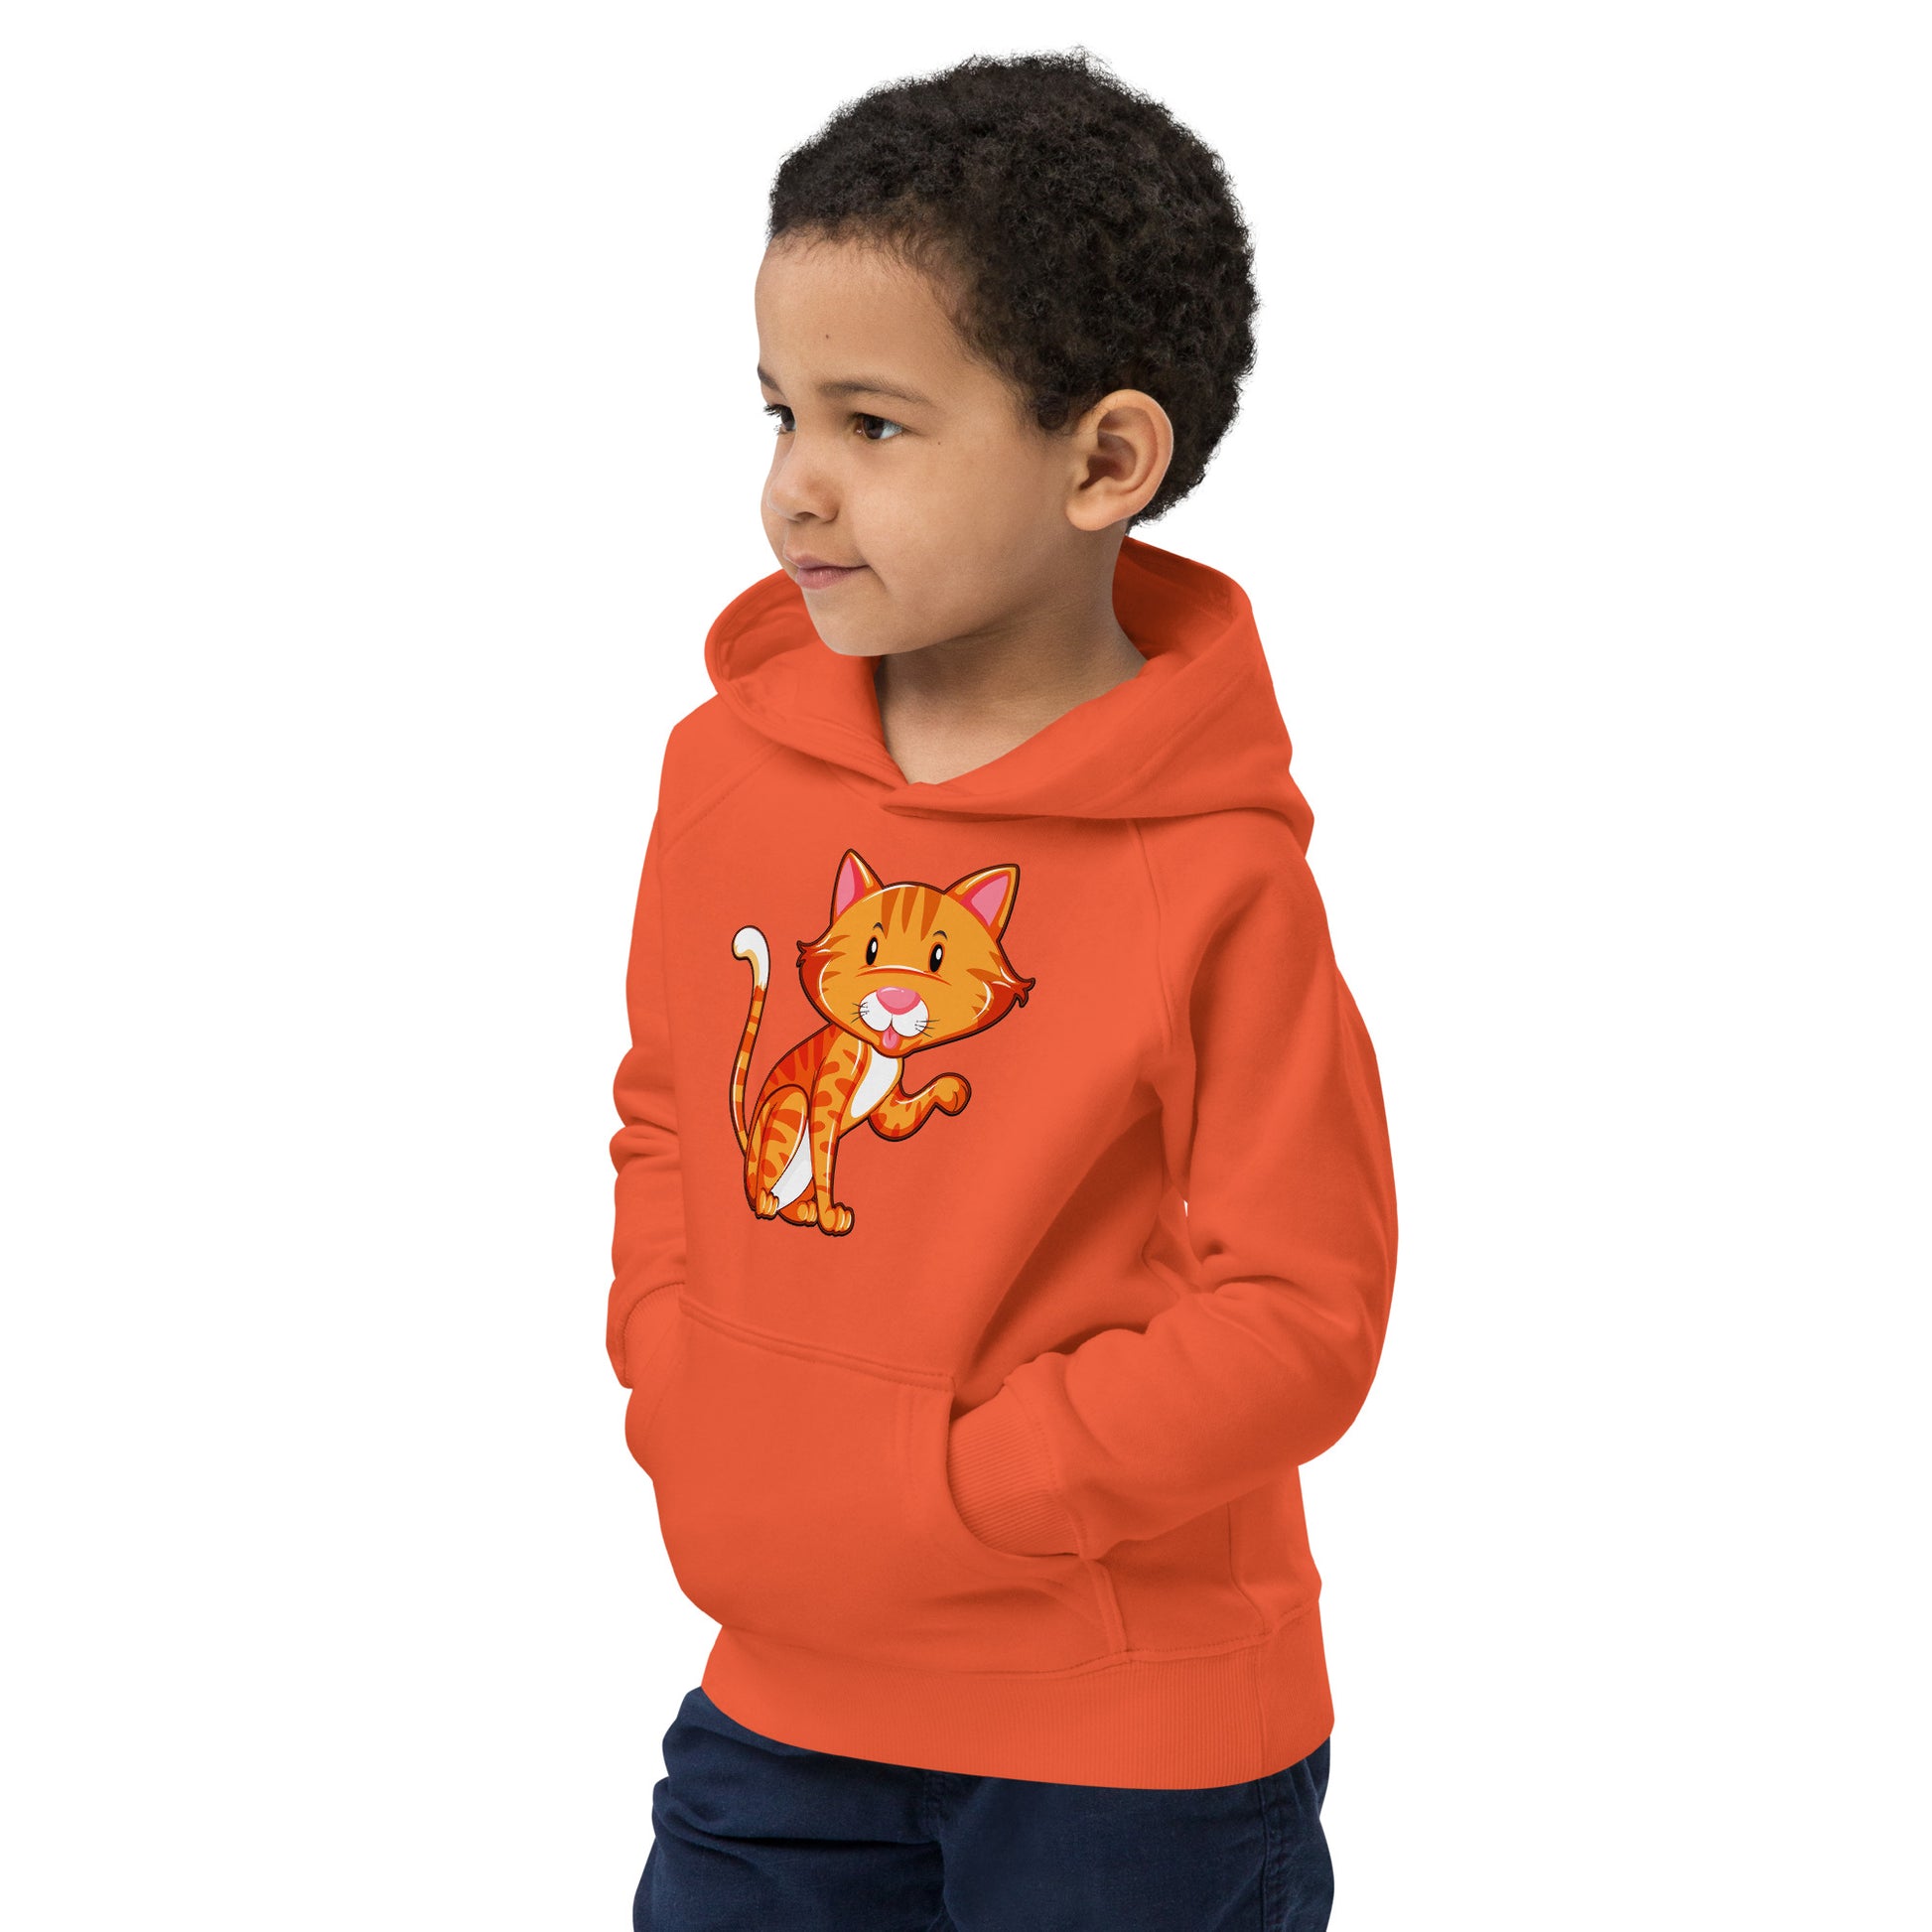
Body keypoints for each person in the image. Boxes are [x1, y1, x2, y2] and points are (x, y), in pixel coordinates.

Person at [608, 48, 1398, 1932]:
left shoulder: (1212, 873)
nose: (795, 488)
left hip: (1126, 1749)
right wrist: (680, 1384)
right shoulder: (724, 774)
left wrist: (964, 1488)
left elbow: (1299, 1310)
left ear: (1103, 460)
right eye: (781, 410)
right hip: (781, 1695)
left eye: (874, 424)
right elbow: (669, 1111)